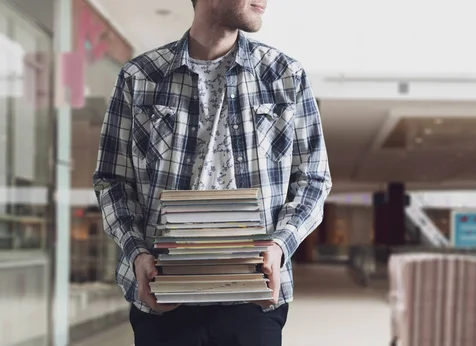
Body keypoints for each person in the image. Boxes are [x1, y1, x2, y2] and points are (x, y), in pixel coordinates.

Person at [92, 0, 332, 344]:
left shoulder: (284, 75)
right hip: (163, 297)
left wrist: (279, 246)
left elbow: (314, 179)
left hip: (253, 299)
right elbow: (112, 181)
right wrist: (137, 254)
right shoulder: (140, 76)